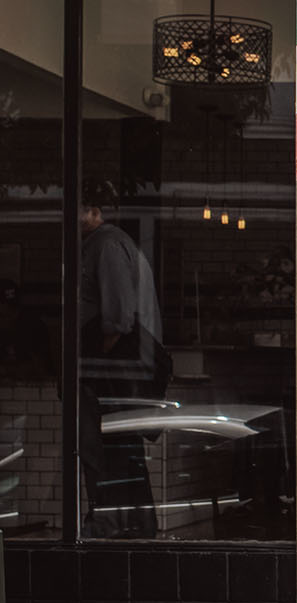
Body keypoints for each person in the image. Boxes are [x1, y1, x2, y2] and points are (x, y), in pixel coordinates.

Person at [79, 185, 169, 537]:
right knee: (121, 452)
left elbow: (118, 318)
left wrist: (97, 360)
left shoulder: (106, 245)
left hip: (109, 373)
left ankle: (112, 524)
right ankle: (129, 525)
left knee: (107, 451)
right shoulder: (109, 244)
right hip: (116, 370)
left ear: (94, 209)